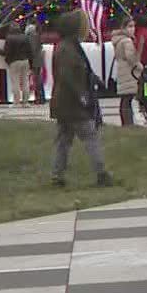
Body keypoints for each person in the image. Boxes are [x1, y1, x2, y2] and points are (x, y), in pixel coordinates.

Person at [47, 10, 111, 187]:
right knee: (89, 136)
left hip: (65, 103)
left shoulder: (70, 46)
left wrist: (94, 79)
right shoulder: (66, 49)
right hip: (72, 103)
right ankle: (101, 173)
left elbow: (80, 70)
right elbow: (67, 75)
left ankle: (56, 175)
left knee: (64, 140)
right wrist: (82, 95)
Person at [109, 17, 143, 127]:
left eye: (133, 26)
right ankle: (128, 123)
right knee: (127, 98)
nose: (132, 29)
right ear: (123, 28)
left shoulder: (118, 40)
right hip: (128, 72)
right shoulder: (127, 41)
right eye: (130, 26)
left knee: (125, 98)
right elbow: (130, 57)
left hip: (121, 69)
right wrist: (139, 66)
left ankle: (126, 122)